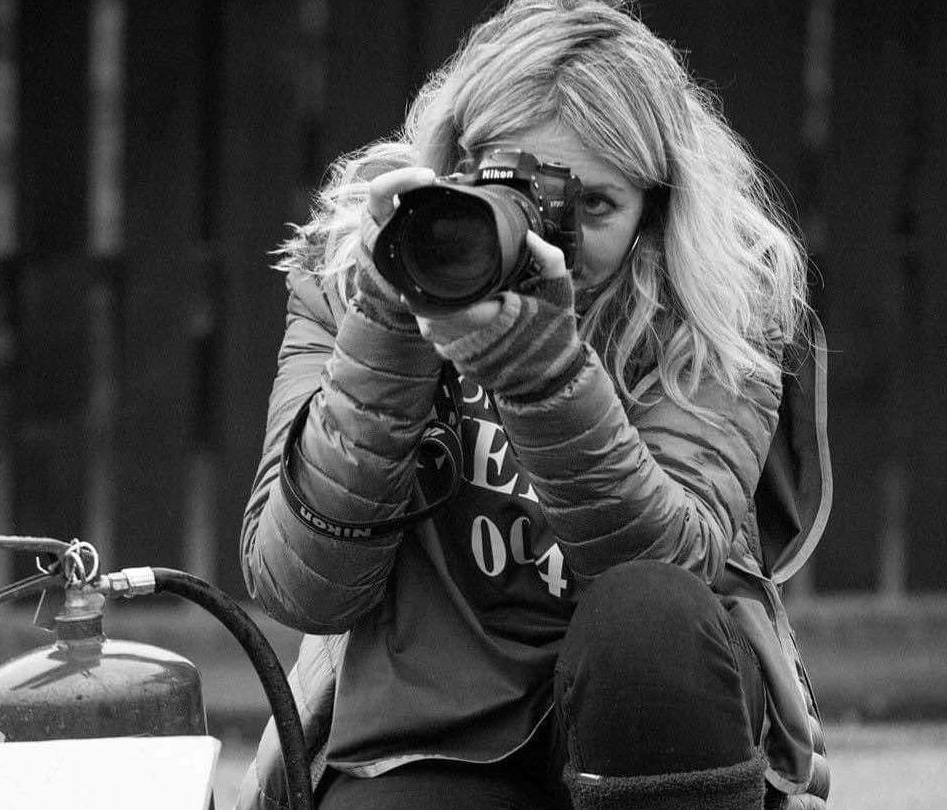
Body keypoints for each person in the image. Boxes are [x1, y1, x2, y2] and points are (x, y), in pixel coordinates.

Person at [235, 1, 830, 808]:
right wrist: (396, 317)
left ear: (656, 212)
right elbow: (300, 588)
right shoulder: (358, 272)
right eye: (518, 187)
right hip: (427, 720)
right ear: (456, 166)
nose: (553, 235)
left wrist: (544, 373)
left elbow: (671, 575)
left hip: (655, 712)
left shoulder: (719, 306)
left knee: (648, 620)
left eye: (595, 205)